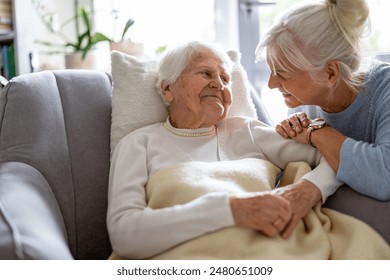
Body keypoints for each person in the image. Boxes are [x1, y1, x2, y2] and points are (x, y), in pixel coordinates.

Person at [107, 41, 341, 259]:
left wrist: (311, 189)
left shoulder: (246, 131)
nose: (219, 84)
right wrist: (229, 211)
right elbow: (124, 234)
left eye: (226, 79)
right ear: (168, 90)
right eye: (205, 73)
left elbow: (335, 157)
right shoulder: (138, 144)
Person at [255, 0, 390, 201]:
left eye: (282, 74)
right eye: (271, 71)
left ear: (330, 73)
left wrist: (316, 133)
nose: (271, 84)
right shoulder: (302, 102)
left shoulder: (384, 90)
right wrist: (292, 140)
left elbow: (384, 177)